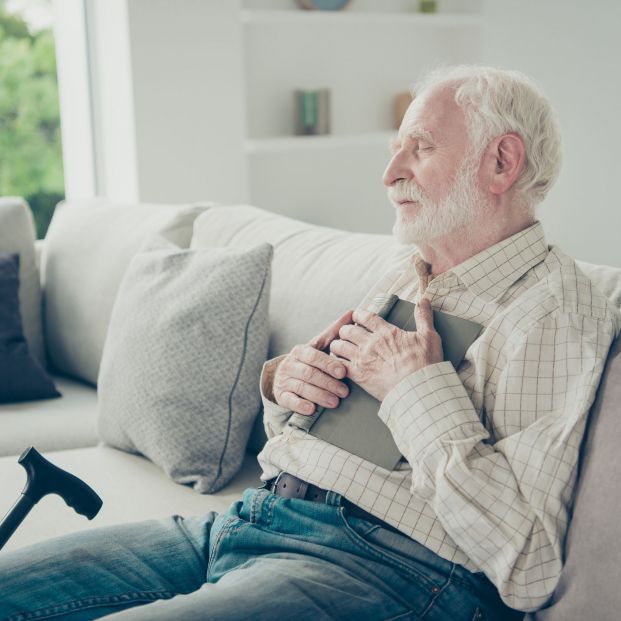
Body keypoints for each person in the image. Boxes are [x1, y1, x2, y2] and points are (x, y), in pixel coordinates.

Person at [1, 65, 618, 621]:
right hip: (250, 519)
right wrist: (286, 386)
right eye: (394, 148)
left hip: (386, 568)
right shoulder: (409, 270)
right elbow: (315, 433)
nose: (390, 173)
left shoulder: (554, 311)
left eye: (420, 148)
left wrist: (415, 389)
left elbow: (529, 566)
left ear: (502, 163)